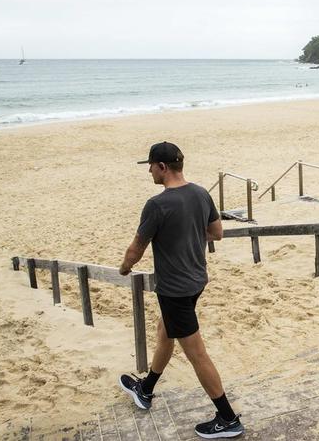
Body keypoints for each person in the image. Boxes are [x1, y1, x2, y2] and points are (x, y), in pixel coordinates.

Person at [117, 141, 244, 439]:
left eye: (150, 165)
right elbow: (217, 234)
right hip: (196, 281)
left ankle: (227, 419)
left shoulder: (157, 205)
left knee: (196, 353)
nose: (148, 170)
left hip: (174, 288)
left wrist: (124, 268)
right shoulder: (201, 193)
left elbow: (137, 248)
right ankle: (145, 389)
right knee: (165, 331)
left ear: (162, 167)